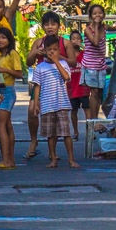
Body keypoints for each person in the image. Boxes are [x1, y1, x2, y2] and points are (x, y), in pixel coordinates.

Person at [25, 12, 80, 160]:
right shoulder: (38, 42)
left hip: (58, 84)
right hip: (42, 81)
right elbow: (28, 62)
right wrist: (36, 52)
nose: (50, 27)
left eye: (53, 24)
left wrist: (56, 57)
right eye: (47, 24)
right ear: (42, 26)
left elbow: (73, 62)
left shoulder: (65, 42)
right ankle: (33, 140)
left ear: (58, 26)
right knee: (32, 110)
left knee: (56, 115)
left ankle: (53, 153)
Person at [35, 35, 78, 169]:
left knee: (66, 133)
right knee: (51, 135)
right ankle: (53, 158)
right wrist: (36, 103)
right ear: (45, 50)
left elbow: (66, 77)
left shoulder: (63, 64)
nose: (52, 52)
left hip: (62, 104)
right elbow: (37, 86)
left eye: (55, 49)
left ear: (59, 50)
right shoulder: (40, 67)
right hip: (47, 105)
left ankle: (71, 159)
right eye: (49, 49)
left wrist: (57, 61)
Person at [82, 4, 116, 122]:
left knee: (99, 92)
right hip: (90, 65)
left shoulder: (104, 27)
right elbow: (96, 42)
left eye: (100, 13)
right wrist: (97, 26)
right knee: (94, 92)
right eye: (95, 13)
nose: (98, 15)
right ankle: (93, 120)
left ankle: (95, 119)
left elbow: (115, 28)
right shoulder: (88, 29)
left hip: (100, 64)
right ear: (91, 16)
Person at [0, 27, 24, 169]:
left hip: (7, 91)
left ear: (9, 39)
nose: (0, 40)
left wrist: (4, 70)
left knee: (0, 125)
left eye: (3, 37)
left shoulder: (12, 54)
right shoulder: (0, 56)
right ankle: (10, 160)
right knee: (7, 126)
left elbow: (19, 74)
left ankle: (5, 160)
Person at [68, 29, 88, 142]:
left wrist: (82, 45)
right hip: (72, 86)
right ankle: (75, 132)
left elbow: (90, 53)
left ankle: (89, 131)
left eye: (78, 39)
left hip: (83, 86)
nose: (75, 41)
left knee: (87, 108)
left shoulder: (84, 54)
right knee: (73, 110)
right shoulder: (68, 56)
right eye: (73, 39)